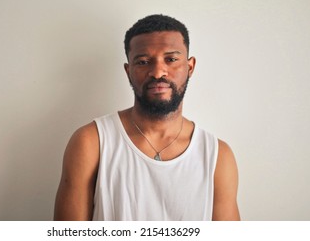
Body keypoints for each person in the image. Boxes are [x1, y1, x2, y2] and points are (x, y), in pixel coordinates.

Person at [54, 14, 240, 221]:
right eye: (143, 61)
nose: (158, 72)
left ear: (190, 67)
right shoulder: (91, 142)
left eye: (171, 59)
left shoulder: (217, 156)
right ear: (128, 70)